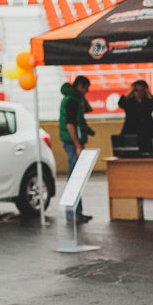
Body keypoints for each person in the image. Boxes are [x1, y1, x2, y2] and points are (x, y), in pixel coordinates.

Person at [59, 75, 95, 222]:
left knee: (76, 178)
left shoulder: (74, 99)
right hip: (73, 144)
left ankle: (77, 212)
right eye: (86, 88)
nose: (87, 91)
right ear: (80, 86)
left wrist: (81, 96)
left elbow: (88, 109)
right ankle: (72, 213)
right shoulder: (72, 101)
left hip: (73, 143)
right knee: (75, 178)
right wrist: (78, 144)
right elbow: (70, 124)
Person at [118, 80, 153, 154]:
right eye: (136, 90)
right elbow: (121, 103)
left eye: (142, 90)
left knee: (147, 154)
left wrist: (148, 92)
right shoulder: (129, 102)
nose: (139, 93)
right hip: (131, 132)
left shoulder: (148, 102)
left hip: (146, 134)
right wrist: (131, 91)